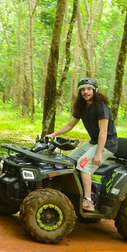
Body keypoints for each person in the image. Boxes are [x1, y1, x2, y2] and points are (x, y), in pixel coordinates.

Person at [46, 77, 118, 212]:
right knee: (68, 161)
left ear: (95, 90)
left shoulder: (101, 107)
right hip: (94, 142)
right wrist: (53, 134)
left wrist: (98, 154)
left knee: (84, 166)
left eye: (89, 89)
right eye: (83, 89)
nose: (86, 92)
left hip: (107, 144)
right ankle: (74, 191)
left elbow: (103, 132)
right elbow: (69, 125)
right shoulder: (82, 107)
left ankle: (88, 200)